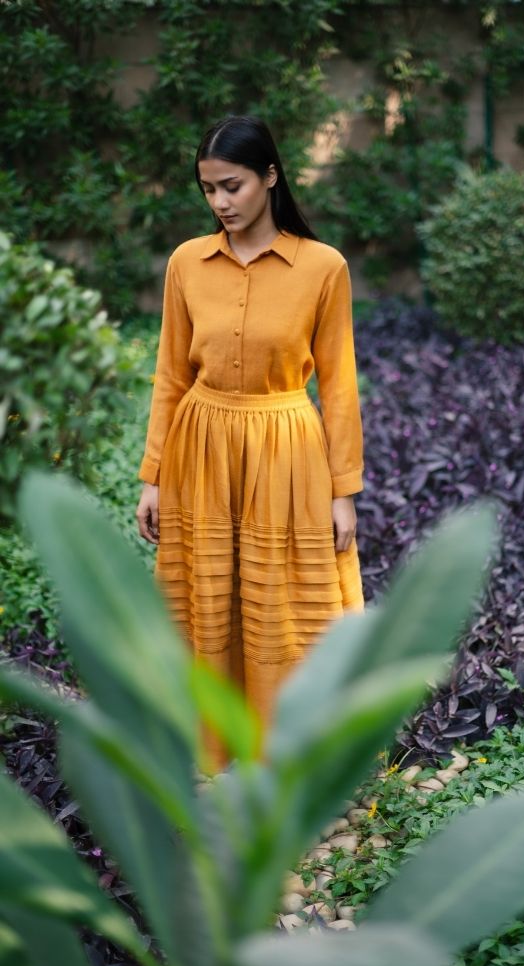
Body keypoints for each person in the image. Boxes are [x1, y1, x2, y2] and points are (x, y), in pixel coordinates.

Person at [135, 114, 364, 767]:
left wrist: (343, 492)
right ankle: (209, 746)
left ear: (270, 176)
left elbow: (340, 388)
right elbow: (171, 373)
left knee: (287, 604)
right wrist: (152, 477)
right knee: (208, 600)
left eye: (232, 186)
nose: (220, 203)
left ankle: (291, 751)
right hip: (199, 449)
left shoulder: (324, 268)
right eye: (208, 190)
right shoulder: (187, 263)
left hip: (285, 450)